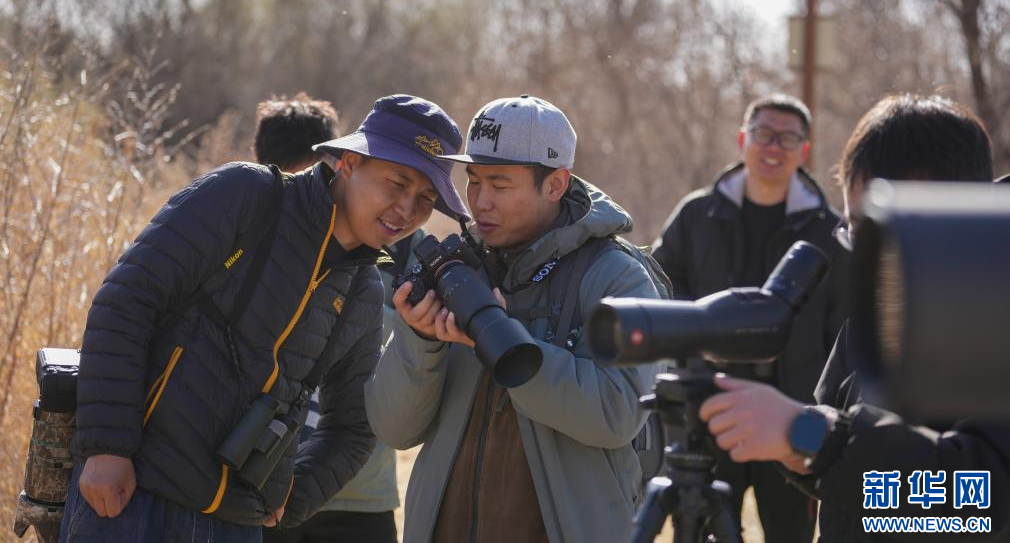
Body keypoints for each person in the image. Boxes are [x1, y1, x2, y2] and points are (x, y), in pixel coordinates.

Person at [63, 94, 469, 542]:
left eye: (426, 198)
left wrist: (289, 497)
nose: (407, 210)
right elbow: (127, 301)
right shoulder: (246, 194)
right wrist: (107, 448)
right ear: (349, 163)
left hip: (234, 525)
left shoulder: (364, 291)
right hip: (134, 493)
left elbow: (354, 427)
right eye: (397, 183)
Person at [698, 94, 1009, 541]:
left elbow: (981, 498)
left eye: (880, 230)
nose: (867, 254)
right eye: (856, 231)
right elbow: (841, 440)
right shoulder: (881, 308)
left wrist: (810, 436)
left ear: (949, 212)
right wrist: (799, 448)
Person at [364, 95, 664, 543]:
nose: (480, 202)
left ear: (555, 184)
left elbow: (616, 413)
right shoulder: (461, 271)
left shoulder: (614, 276)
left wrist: (504, 343)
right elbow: (394, 429)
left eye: (500, 185)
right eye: (473, 181)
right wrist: (421, 341)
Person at [651, 93, 849, 541]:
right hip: (708, 410)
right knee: (698, 531)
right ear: (742, 139)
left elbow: (843, 325)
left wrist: (826, 410)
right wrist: (694, 346)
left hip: (791, 415)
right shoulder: (698, 214)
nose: (773, 146)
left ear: (804, 150)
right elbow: (661, 284)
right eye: (763, 134)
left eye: (787, 138)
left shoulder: (829, 230)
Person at [251, 94, 403, 543]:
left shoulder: (388, 249)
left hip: (352, 495)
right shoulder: (245, 237)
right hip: (260, 489)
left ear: (342, 167)